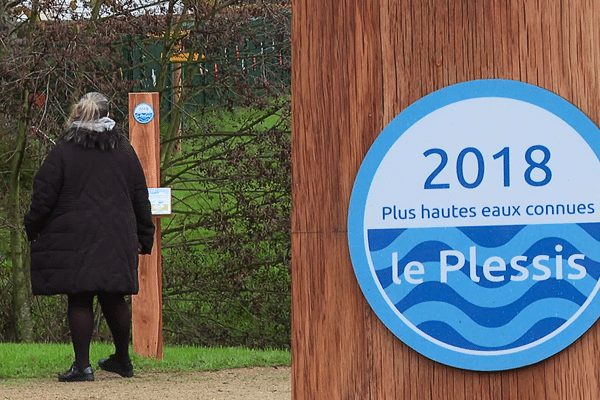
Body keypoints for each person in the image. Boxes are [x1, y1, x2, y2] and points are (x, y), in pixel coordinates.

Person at [24, 92, 155, 382]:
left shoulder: (65, 149)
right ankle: (123, 360)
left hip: (75, 236)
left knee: (80, 296)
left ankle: (83, 366)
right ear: (109, 115)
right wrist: (146, 234)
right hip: (117, 234)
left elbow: (44, 194)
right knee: (114, 296)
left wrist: (32, 226)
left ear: (77, 114)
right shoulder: (123, 148)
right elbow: (139, 194)